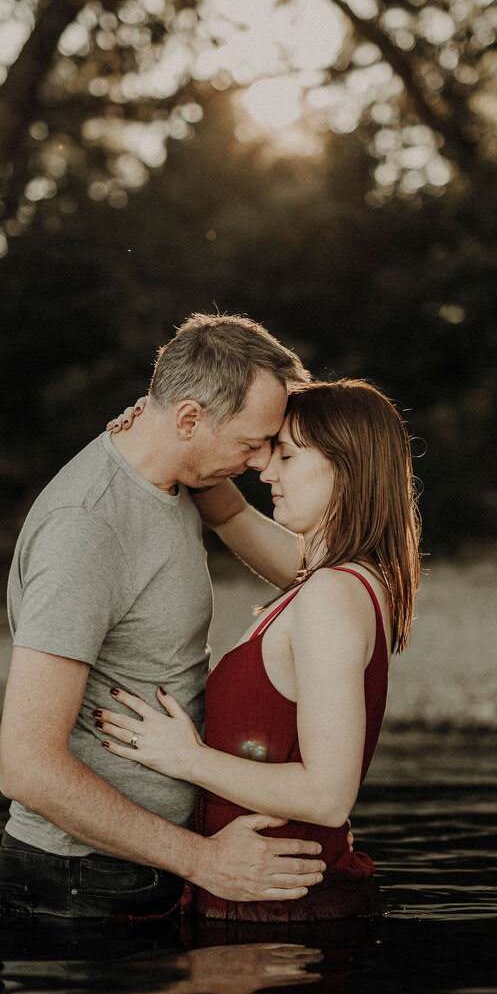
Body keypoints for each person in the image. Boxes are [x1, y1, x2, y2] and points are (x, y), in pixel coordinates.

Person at [0, 312, 328, 921]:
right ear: (188, 419)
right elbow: (27, 768)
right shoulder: (88, 530)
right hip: (84, 880)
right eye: (251, 442)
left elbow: (294, 565)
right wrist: (203, 861)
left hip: (149, 865)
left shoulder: (181, 476)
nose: (261, 462)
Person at [96, 379, 421, 921]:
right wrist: (169, 434)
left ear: (348, 466)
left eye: (287, 456)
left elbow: (327, 795)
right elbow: (229, 516)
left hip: (282, 916)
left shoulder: (331, 596)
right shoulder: (336, 581)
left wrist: (187, 759)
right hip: (267, 900)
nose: (267, 471)